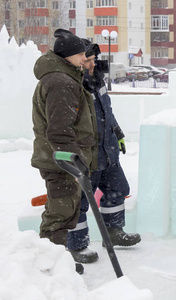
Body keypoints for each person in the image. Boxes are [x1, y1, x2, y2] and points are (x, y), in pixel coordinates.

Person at [67, 40, 141, 264]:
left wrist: (116, 133)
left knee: (117, 189)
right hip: (87, 153)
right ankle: (77, 245)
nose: (91, 64)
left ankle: (114, 232)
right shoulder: (73, 84)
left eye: (93, 60)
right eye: (87, 60)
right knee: (79, 200)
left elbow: (106, 110)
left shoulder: (96, 79)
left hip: (107, 149)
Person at [31, 28, 97, 275]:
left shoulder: (62, 77)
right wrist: (74, 161)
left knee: (65, 213)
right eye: (80, 54)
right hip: (61, 161)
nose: (84, 58)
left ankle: (56, 262)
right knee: (59, 214)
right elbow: (59, 131)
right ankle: (48, 268)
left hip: (60, 159)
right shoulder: (61, 82)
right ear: (67, 56)